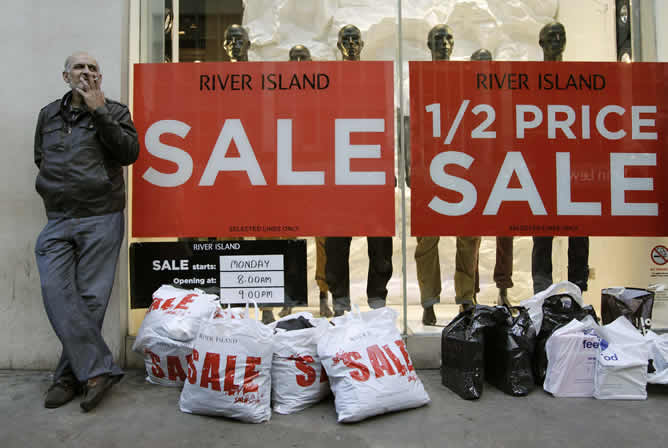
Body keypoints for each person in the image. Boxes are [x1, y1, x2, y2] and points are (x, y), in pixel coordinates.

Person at [35, 51, 139, 411]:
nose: (86, 72)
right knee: (56, 290)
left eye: (93, 67)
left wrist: (100, 111)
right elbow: (41, 157)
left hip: (101, 215)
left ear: (100, 77)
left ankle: (68, 377)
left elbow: (129, 153)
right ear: (66, 76)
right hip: (59, 217)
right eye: (79, 67)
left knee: (91, 298)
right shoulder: (48, 115)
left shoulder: (115, 111)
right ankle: (97, 369)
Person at [325, 25, 394, 316]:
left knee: (379, 240)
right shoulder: (329, 80)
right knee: (337, 241)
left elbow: (387, 122)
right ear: (338, 44)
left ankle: (377, 296)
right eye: (346, 39)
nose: (351, 44)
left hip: (372, 164)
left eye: (355, 39)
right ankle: (339, 297)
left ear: (363, 43)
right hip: (338, 167)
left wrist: (389, 165)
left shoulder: (375, 79)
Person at [531, 22, 589, 294]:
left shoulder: (578, 79)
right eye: (551, 36)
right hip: (542, 162)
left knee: (579, 228)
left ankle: (577, 289)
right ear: (540, 42)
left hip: (574, 162)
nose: (557, 39)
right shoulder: (530, 81)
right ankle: (542, 292)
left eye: (561, 35)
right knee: (542, 231)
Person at [277, 45, 334, 318]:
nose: (299, 62)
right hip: (289, 174)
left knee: (323, 238)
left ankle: (324, 293)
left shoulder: (322, 96)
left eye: (303, 58)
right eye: (294, 58)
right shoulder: (281, 96)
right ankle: (291, 294)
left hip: (317, 172)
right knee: (290, 239)